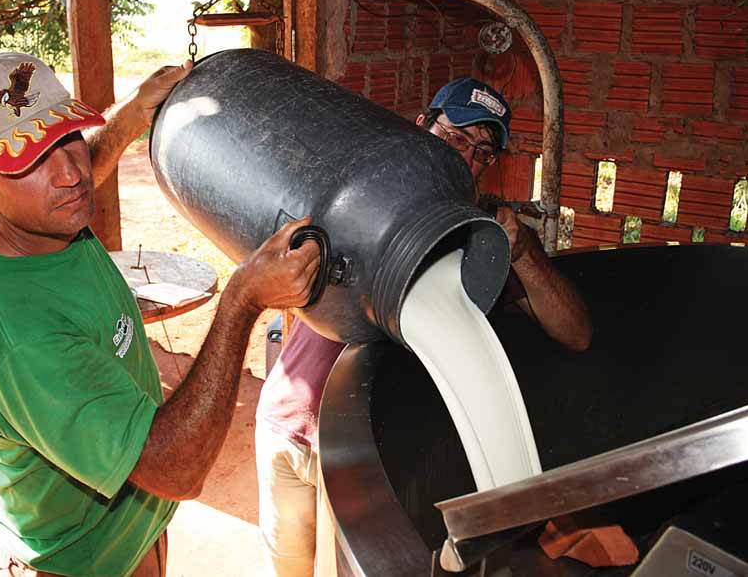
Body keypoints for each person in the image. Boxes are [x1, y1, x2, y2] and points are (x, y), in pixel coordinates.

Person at [0, 52, 321, 577]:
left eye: (65, 136)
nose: (71, 174)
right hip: (87, 561)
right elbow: (175, 470)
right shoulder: (14, 328)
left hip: (132, 536)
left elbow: (75, 169)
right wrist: (241, 301)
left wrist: (132, 116)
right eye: (27, 158)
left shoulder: (34, 218)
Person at [254, 76, 593, 577]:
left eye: (482, 151)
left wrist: (523, 253)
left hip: (354, 461)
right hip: (284, 423)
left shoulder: (479, 240)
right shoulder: (357, 189)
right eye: (454, 136)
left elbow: (576, 333)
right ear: (421, 127)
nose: (466, 157)